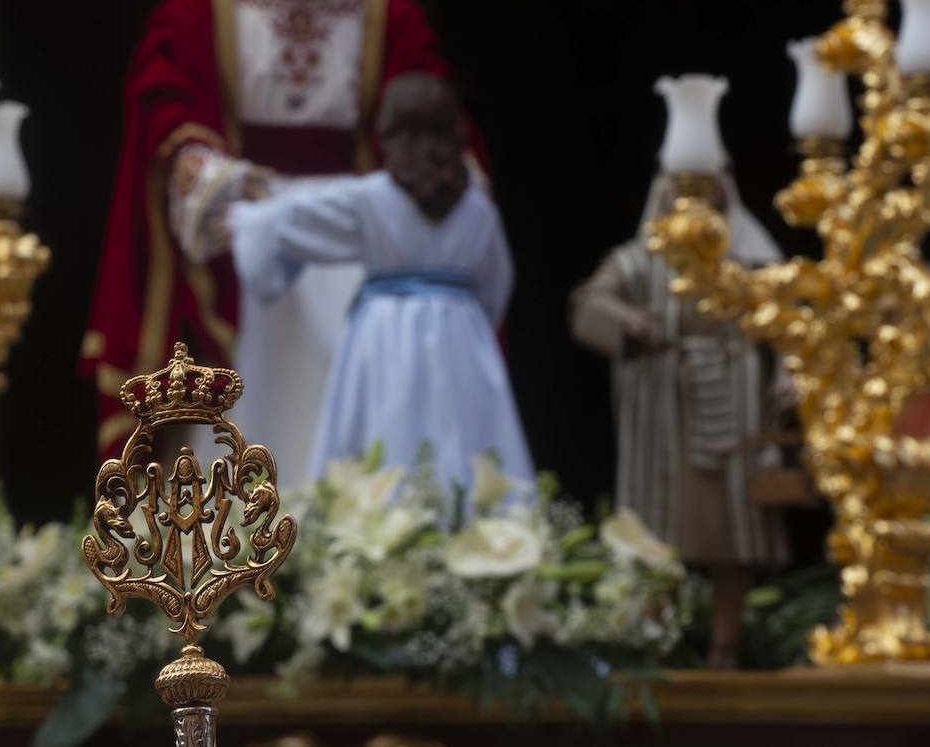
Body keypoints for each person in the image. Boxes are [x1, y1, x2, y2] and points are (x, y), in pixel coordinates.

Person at [83, 0, 483, 481]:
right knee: (241, 408)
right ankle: (236, 546)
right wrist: (208, 174)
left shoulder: (387, 16)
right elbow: (163, 102)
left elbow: (434, 117)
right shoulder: (207, 6)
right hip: (246, 228)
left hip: (352, 236)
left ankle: (361, 546)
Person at [228, 73, 531, 494]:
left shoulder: (370, 198)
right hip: (462, 335)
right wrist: (465, 323)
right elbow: (497, 285)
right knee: (464, 432)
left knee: (385, 426)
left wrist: (244, 219)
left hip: (385, 334)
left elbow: (290, 222)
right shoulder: (479, 208)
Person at [569, 169, 789, 667]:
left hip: (734, 409)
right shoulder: (639, 261)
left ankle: (725, 647)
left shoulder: (745, 262)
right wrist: (625, 320)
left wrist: (789, 372)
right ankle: (654, 641)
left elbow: (787, 319)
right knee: (657, 531)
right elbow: (588, 303)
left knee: (731, 533)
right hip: (662, 413)